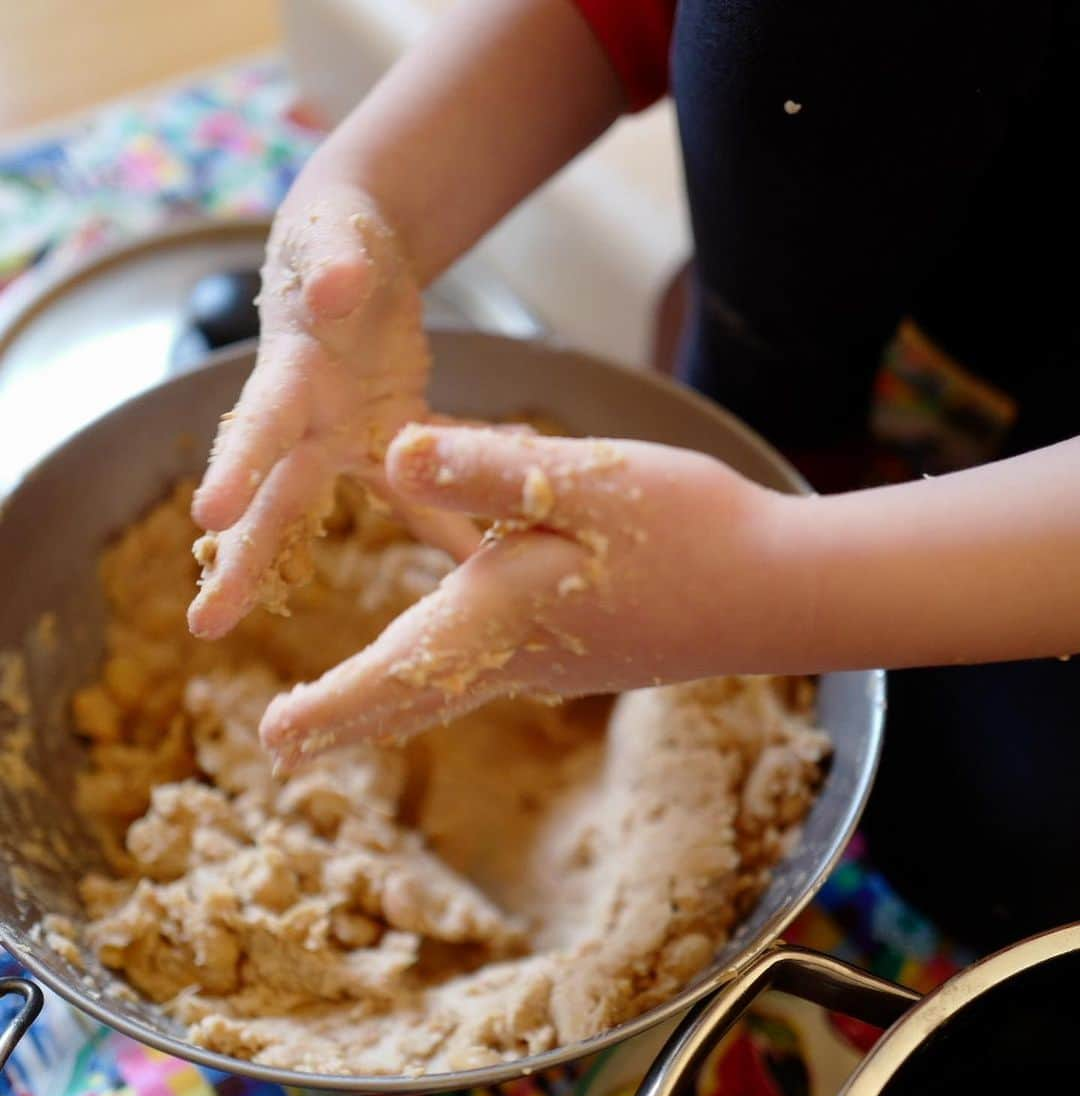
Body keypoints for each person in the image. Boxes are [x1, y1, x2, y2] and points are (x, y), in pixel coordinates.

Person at [188, 0, 1080, 948]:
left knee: (998, 833)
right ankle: (774, 401)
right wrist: (368, 195)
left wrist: (772, 577)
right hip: (932, 183)